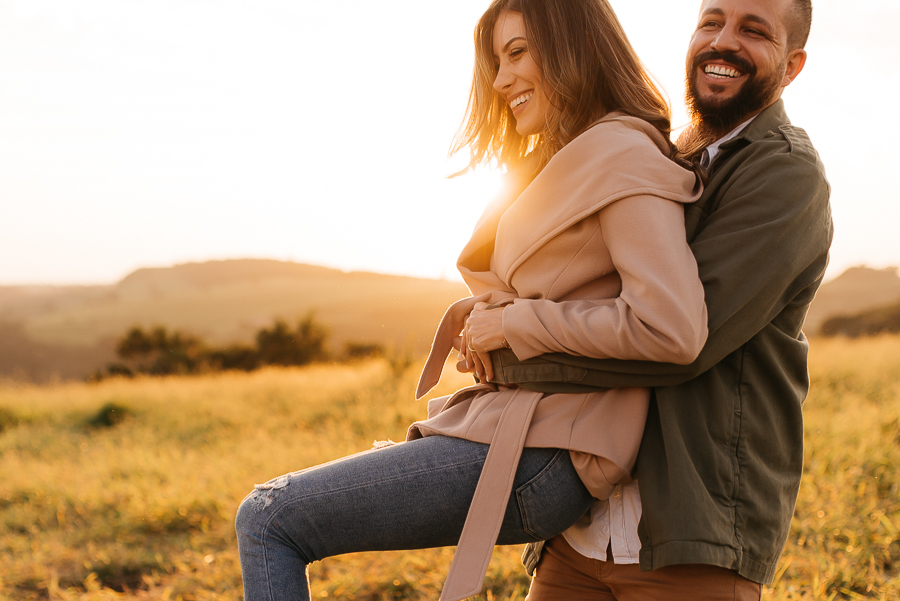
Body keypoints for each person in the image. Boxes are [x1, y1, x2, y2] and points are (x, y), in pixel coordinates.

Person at [234, 1, 708, 600]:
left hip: (553, 445)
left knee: (270, 518)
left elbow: (671, 326)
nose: (501, 79)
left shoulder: (621, 154)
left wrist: (512, 324)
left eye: (517, 53)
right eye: (495, 63)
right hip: (524, 426)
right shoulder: (568, 157)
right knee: (271, 516)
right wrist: (494, 319)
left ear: (572, 47)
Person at [479, 0, 833, 599]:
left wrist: (510, 338)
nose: (723, 41)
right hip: (581, 529)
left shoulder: (786, 175)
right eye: (711, 22)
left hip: (691, 540)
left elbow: (674, 342)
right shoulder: (661, 152)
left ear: (792, 65)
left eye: (753, 30)